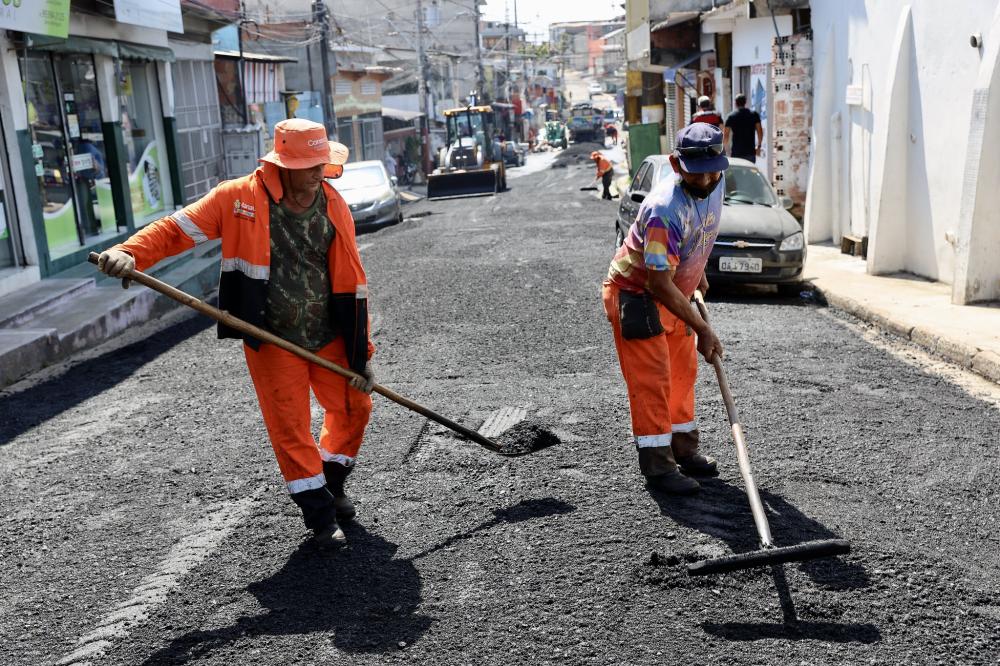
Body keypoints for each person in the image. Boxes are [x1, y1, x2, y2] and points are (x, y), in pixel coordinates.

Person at [96, 119, 376, 548]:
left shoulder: (334, 203)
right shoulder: (236, 198)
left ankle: (331, 482)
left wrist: (362, 352)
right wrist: (127, 252)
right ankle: (320, 516)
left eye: (322, 162)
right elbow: (175, 230)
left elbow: (353, 281)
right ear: (282, 165)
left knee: (355, 405)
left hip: (330, 333)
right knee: (290, 425)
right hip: (272, 336)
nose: (318, 172)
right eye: (309, 164)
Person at [602, 122, 727, 495]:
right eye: (695, 173)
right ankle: (659, 466)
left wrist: (698, 272)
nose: (705, 181)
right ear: (676, 164)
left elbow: (698, 233)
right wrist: (704, 329)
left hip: (674, 291)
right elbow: (658, 283)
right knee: (653, 380)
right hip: (637, 294)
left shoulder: (716, 184)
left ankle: (684, 450)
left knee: (683, 373)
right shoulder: (663, 210)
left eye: (712, 172)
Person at [724, 93, 763, 163]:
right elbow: (759, 130)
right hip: (750, 152)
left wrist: (727, 150)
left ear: (735, 103)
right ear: (745, 102)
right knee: (750, 169)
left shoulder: (731, 116)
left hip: (736, 152)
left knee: (737, 170)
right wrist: (759, 146)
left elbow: (726, 135)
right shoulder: (754, 114)